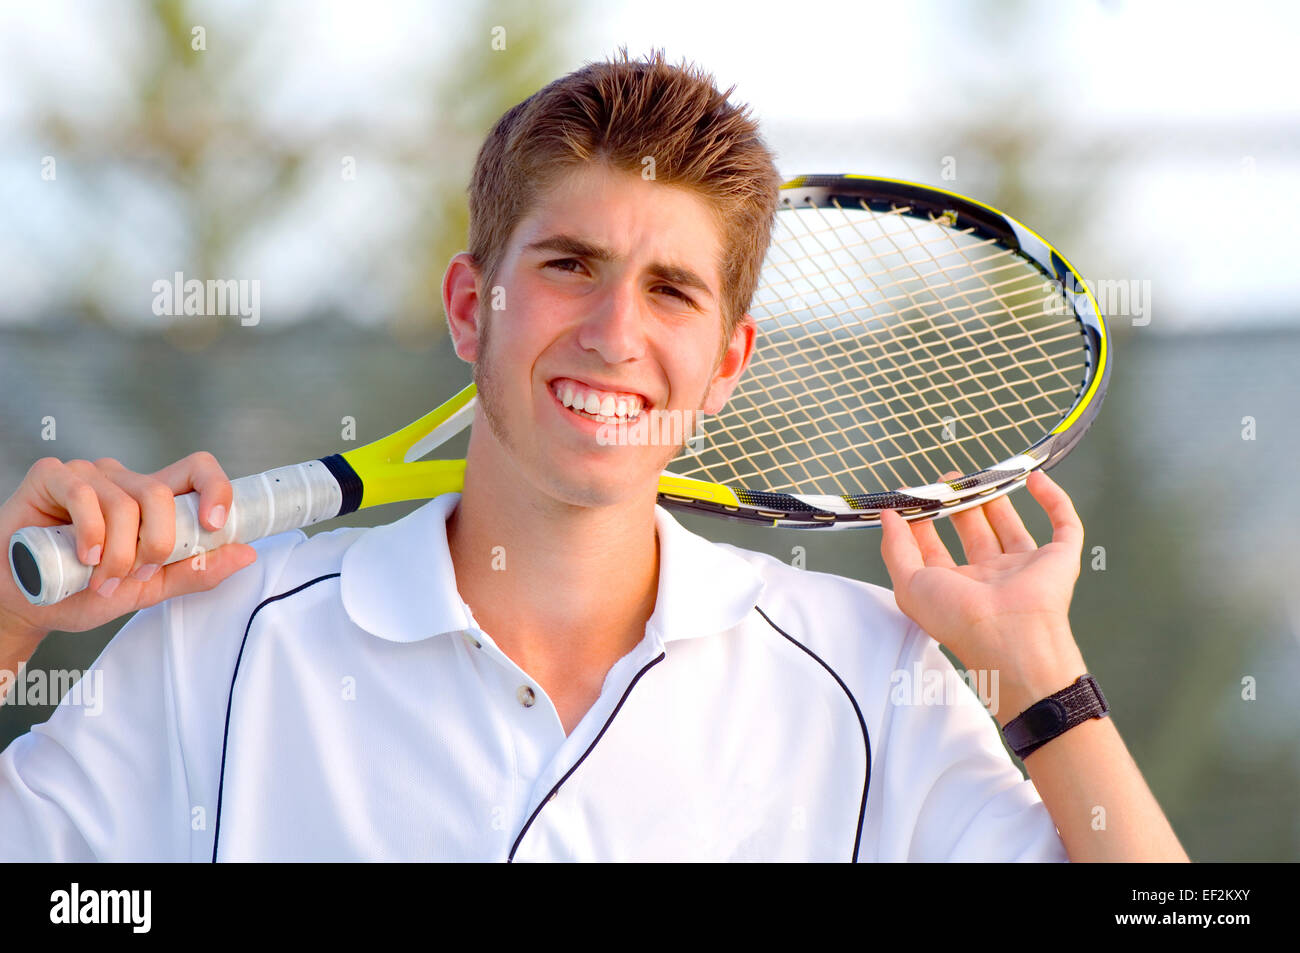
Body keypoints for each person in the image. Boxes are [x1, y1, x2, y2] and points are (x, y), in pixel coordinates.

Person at [0, 50, 1187, 862]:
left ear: (726, 363)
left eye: (672, 289)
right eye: (570, 263)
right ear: (472, 306)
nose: (616, 334)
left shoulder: (864, 676)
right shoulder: (224, 640)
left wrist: (1042, 672)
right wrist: (4, 621)